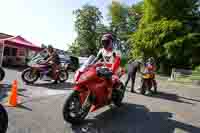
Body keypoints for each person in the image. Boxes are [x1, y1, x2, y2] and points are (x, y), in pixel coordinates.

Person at [92, 33, 121, 102]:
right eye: (103, 42)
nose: (105, 43)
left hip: (114, 69)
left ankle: (109, 96)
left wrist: (112, 70)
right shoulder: (101, 50)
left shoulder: (116, 51)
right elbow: (96, 59)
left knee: (109, 81)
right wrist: (90, 65)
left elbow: (116, 61)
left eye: (106, 41)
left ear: (111, 42)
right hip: (104, 68)